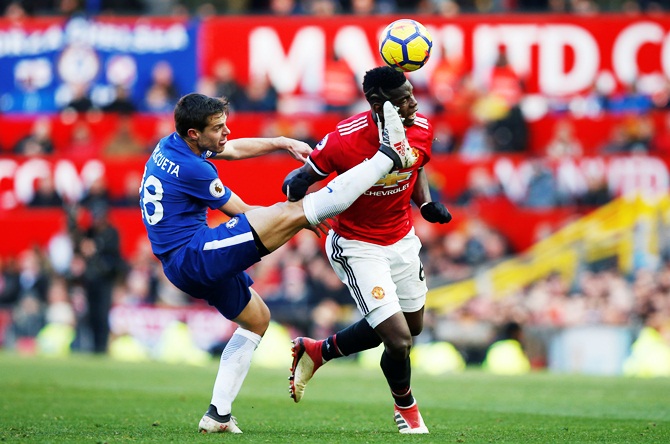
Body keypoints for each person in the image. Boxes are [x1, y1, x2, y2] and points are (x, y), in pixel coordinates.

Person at [138, 92, 416, 434]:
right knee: (297, 209)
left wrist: (281, 142)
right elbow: (241, 211)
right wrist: (299, 217)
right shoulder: (193, 167)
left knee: (257, 319)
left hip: (183, 261)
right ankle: (385, 158)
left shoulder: (175, 144)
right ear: (194, 133)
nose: (226, 133)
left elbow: (234, 149)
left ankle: (218, 415)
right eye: (218, 128)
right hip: (195, 254)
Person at [283, 66, 453, 434]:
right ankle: (406, 408)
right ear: (377, 103)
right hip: (358, 245)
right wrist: (302, 205)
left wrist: (424, 205)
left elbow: (416, 163)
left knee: (411, 327)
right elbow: (297, 182)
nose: (413, 102)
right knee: (398, 339)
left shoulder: (420, 126)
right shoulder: (344, 139)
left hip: (402, 240)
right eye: (403, 98)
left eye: (411, 93)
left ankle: (318, 351)